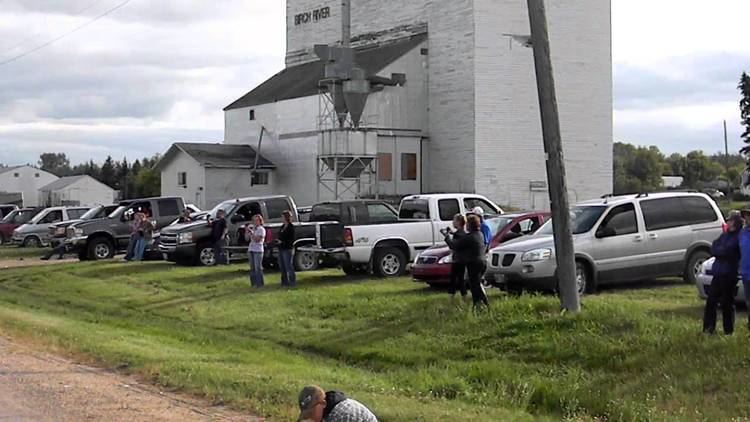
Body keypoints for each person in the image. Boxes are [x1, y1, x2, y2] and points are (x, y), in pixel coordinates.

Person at [703, 212, 743, 335]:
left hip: (729, 274)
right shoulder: (724, 235)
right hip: (718, 272)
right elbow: (714, 247)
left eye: (730, 220)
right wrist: (721, 251)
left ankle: (728, 331)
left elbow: (731, 252)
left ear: (735, 222)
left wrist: (721, 251)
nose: (728, 222)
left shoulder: (738, 237)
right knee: (711, 301)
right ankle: (709, 328)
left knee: (727, 303)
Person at [445, 215, 489, 309]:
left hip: (474, 264)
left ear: (470, 225)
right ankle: (483, 303)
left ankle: (479, 304)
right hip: (483, 262)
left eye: (468, 224)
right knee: (478, 284)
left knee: (474, 286)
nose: (466, 225)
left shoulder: (470, 237)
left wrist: (447, 237)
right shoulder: (479, 234)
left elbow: (454, 245)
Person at [297, 385, 378, 422]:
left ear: (323, 404)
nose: (310, 418)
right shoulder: (328, 412)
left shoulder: (343, 415)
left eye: (311, 413)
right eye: (307, 415)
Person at [444, 214, 468, 298]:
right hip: (461, 259)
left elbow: (452, 245)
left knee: (454, 278)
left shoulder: (460, 234)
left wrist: (447, 237)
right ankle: (463, 295)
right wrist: (452, 232)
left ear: (458, 222)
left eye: (454, 220)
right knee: (460, 279)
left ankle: (453, 296)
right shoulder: (462, 233)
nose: (452, 222)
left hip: (459, 260)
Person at [278, 210, 297, 287]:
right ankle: (284, 282)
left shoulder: (291, 227)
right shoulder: (282, 226)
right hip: (281, 248)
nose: (281, 218)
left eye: (283, 216)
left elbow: (291, 240)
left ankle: (292, 282)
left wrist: (282, 242)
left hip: (288, 249)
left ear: (286, 217)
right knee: (282, 266)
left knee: (288, 265)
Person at [246, 214, 266, 287]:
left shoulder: (261, 229)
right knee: (252, 268)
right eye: (254, 220)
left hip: (258, 250)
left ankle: (260, 284)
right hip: (251, 249)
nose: (255, 222)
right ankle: (253, 284)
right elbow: (247, 239)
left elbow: (258, 240)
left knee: (258, 267)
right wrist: (247, 231)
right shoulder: (253, 228)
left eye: (257, 220)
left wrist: (252, 233)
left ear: (260, 221)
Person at [739, 209, 750, 329]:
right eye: (746, 216)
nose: (747, 219)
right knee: (748, 302)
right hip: (746, 273)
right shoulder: (742, 233)